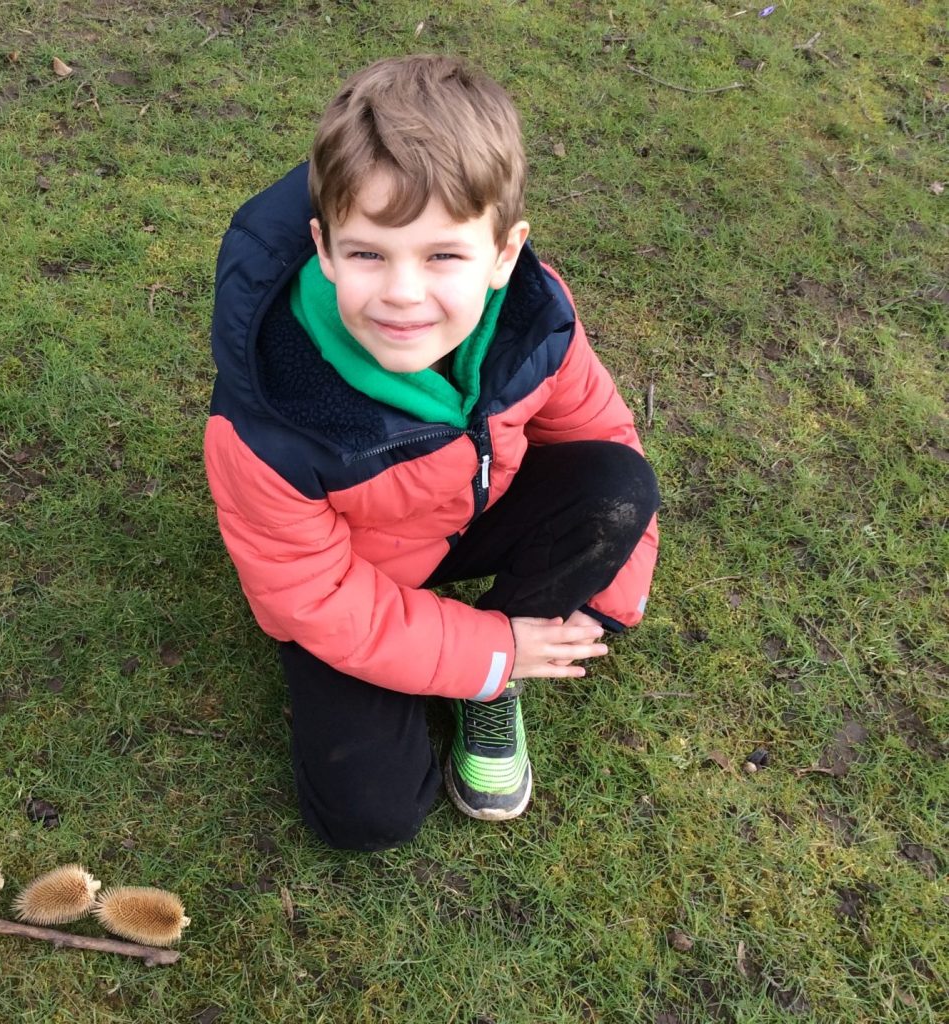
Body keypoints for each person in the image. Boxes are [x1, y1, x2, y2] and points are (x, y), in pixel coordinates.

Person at [204, 55, 660, 851]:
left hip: (467, 518)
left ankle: (490, 688)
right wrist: (490, 652)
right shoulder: (271, 417)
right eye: (368, 254)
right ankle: (488, 666)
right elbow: (312, 598)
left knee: (615, 484)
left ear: (504, 254)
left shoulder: (536, 317)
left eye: (443, 256)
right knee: (368, 817)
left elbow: (604, 440)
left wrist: (602, 601)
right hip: (355, 579)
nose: (403, 294)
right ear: (323, 248)